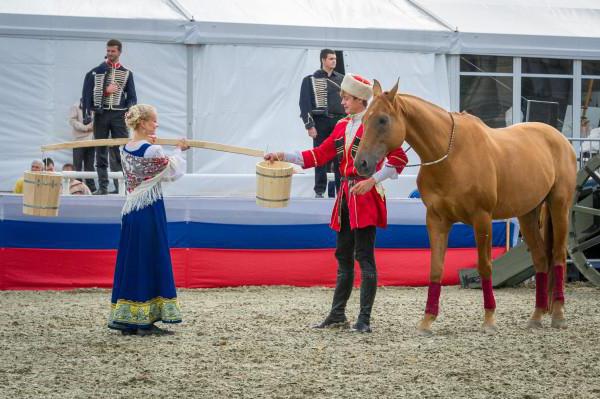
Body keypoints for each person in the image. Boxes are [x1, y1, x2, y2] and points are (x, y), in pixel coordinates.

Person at [266, 74, 408, 333]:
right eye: (342, 97)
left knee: (364, 257)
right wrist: (281, 155)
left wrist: (373, 180)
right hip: (344, 196)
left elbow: (399, 159)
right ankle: (337, 314)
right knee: (343, 256)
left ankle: (364, 319)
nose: (341, 101)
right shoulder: (342, 126)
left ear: (360, 100)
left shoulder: (375, 125)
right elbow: (318, 155)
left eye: (346, 98)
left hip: (365, 196)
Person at [107, 104, 189, 336]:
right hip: (149, 208)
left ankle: (128, 318)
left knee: (133, 258)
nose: (157, 125)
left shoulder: (125, 148)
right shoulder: (152, 151)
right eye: (153, 121)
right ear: (143, 123)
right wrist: (180, 150)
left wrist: (156, 146)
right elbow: (171, 172)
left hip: (132, 209)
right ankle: (144, 320)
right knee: (151, 256)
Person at [82, 38, 137, 195]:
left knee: (122, 151)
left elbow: (132, 97)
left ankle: (123, 187)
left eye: (113, 51)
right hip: (102, 114)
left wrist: (129, 109)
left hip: (119, 115)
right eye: (108, 51)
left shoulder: (127, 73)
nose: (110, 54)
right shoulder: (96, 72)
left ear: (119, 52)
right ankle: (103, 187)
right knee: (100, 151)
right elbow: (89, 95)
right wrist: (106, 91)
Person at [299, 49, 345, 198]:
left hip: (339, 122)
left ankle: (340, 190)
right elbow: (304, 103)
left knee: (340, 157)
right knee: (320, 156)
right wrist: (309, 125)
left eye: (335, 59)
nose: (334, 61)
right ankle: (319, 190)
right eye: (331, 58)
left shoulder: (342, 79)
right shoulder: (310, 79)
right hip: (321, 122)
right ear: (323, 60)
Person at [68, 99, 97, 192]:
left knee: (90, 166)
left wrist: (89, 126)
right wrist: (85, 128)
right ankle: (77, 188)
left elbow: (98, 119)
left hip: (91, 140)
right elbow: (72, 121)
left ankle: (91, 189)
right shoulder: (75, 106)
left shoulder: (95, 106)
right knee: (77, 166)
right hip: (78, 141)